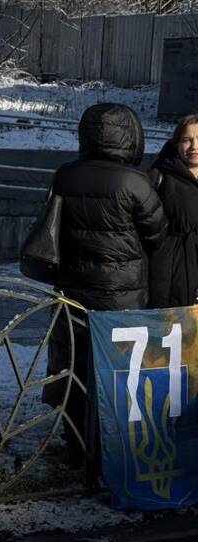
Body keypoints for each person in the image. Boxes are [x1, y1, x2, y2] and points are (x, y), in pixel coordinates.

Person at [43, 103, 166, 467]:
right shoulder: (135, 181)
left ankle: (76, 447)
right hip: (122, 300)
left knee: (73, 370)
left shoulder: (65, 175)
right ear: (130, 136)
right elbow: (157, 234)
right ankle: (110, 454)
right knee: (117, 377)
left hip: (72, 293)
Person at [147, 113, 198, 309]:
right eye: (187, 140)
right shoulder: (159, 176)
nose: (194, 146)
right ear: (176, 143)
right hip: (168, 271)